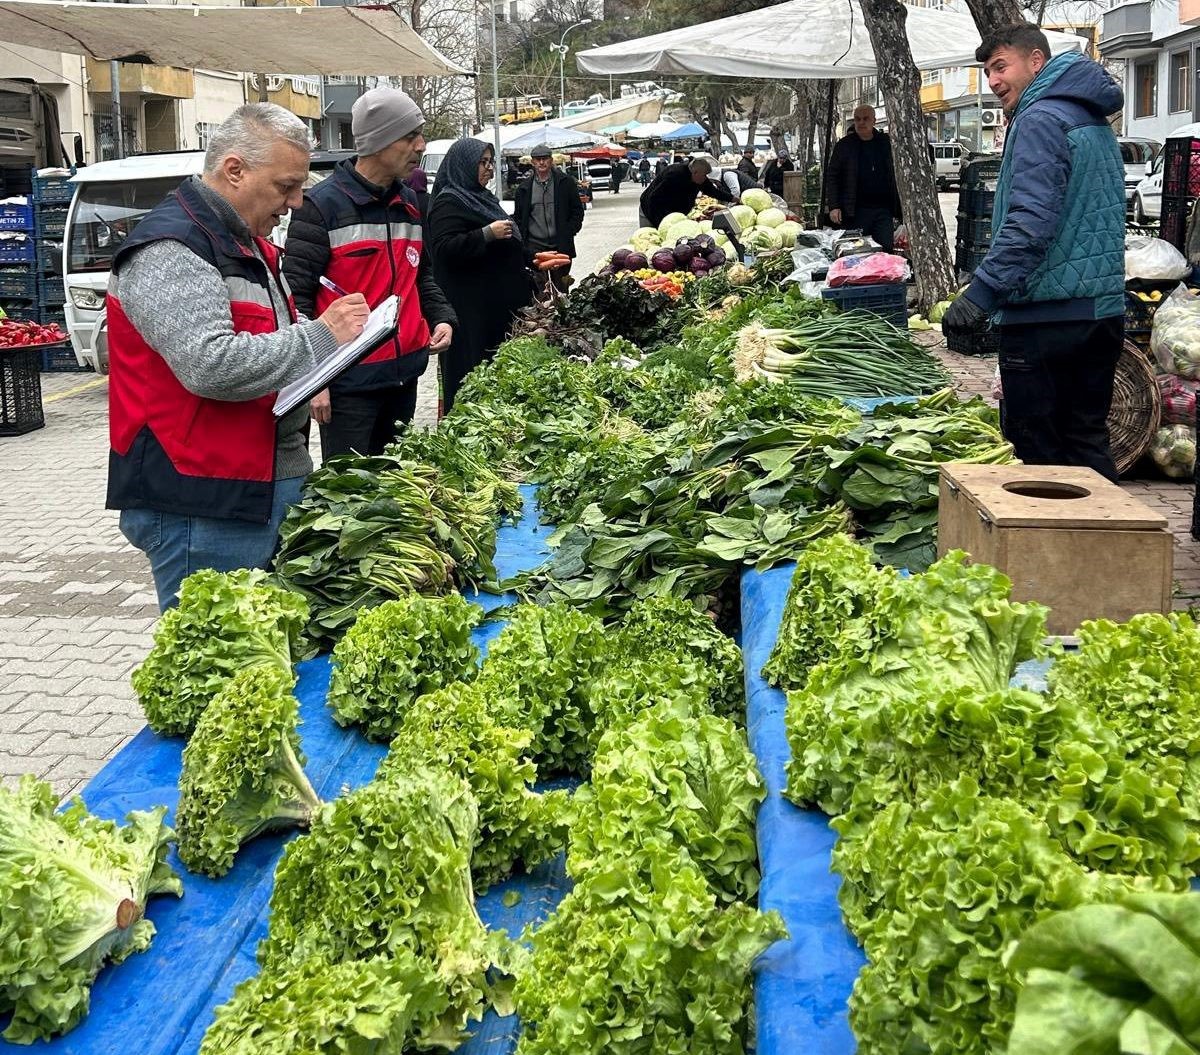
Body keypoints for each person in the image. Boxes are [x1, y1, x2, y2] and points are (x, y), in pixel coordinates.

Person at [105, 103, 371, 610]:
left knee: (264, 655)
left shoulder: (244, 242)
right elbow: (211, 364)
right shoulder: (172, 248)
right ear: (234, 170)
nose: (294, 202)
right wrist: (322, 336)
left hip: (252, 486)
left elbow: (266, 352)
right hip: (202, 502)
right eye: (285, 186)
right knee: (219, 665)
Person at [942, 23, 1125, 482]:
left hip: (1047, 319)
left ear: (1037, 60)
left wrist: (978, 297)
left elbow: (1029, 224)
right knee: (1085, 440)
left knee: (1039, 452)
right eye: (987, 72)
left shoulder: (1040, 118)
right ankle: (1108, 546)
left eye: (1001, 66)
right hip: (1099, 311)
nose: (994, 81)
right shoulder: (1089, 117)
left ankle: (1058, 551)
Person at [283, 87, 455, 460]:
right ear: (379, 142)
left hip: (404, 377)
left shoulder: (409, 204)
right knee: (350, 499)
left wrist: (441, 317)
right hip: (348, 385)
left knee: (392, 489)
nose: (421, 146)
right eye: (410, 136)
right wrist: (313, 381)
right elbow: (296, 299)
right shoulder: (320, 207)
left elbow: (421, 275)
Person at [428, 138, 533, 413]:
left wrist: (535, 260)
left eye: (491, 162)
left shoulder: (483, 198)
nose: (488, 169)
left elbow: (510, 243)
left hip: (495, 311)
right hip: (470, 313)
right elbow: (443, 249)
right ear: (464, 165)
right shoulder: (449, 201)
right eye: (482, 163)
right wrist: (487, 234)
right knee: (469, 379)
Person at [826, 107, 902, 252]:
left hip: (883, 210)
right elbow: (832, 176)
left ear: (874, 121)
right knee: (857, 252)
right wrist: (834, 206)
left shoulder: (886, 143)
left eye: (865, 118)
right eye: (857, 119)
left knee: (885, 251)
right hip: (855, 211)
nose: (861, 122)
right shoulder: (844, 146)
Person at [513, 142, 584, 294]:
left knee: (561, 288)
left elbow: (577, 211)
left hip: (561, 246)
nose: (541, 162)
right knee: (541, 290)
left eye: (545, 158)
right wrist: (524, 244)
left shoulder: (565, 183)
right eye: (537, 159)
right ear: (532, 162)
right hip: (536, 248)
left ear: (551, 160)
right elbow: (519, 218)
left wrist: (569, 231)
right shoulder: (524, 189)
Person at [639, 156, 733, 228]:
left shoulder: (699, 178)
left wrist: (732, 198)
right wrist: (663, 224)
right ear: (695, 172)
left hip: (672, 216)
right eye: (704, 175)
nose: (706, 178)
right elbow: (654, 199)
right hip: (649, 211)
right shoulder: (674, 175)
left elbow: (712, 191)